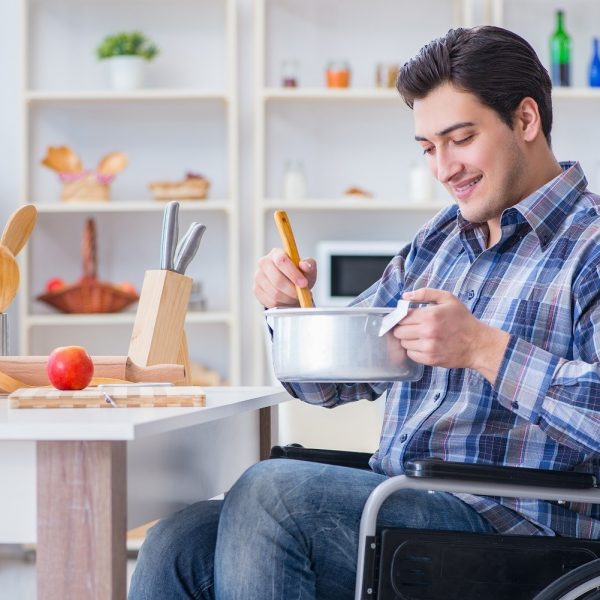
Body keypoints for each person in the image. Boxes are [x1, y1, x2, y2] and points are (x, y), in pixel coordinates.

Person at [129, 26, 600, 600]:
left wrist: (483, 350)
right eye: (428, 148)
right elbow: (327, 385)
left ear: (525, 120)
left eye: (460, 138)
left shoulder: (590, 247)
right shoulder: (438, 244)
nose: (444, 168)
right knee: (180, 539)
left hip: (525, 540)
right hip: (406, 507)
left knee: (271, 495)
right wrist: (286, 313)